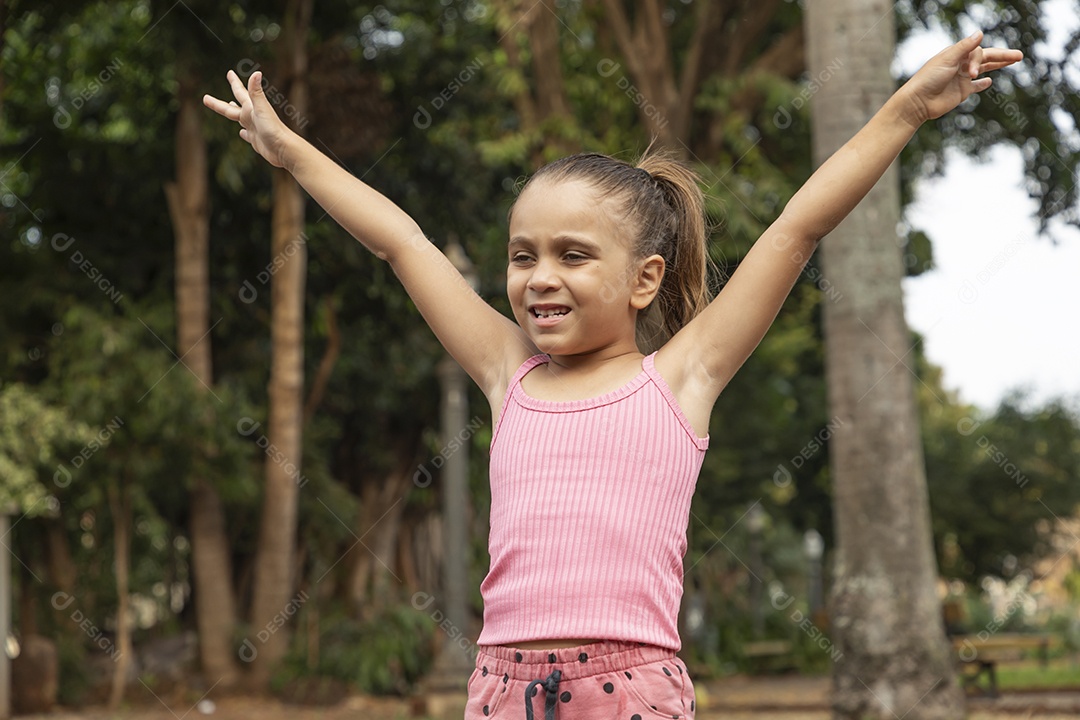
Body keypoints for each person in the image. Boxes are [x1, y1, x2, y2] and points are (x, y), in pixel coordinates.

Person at [205, 30, 1022, 720]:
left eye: (573, 255)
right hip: (499, 686)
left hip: (630, 689)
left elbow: (795, 229)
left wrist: (907, 108)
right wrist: (290, 151)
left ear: (645, 280)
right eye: (523, 256)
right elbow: (403, 242)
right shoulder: (506, 375)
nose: (539, 277)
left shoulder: (682, 379)